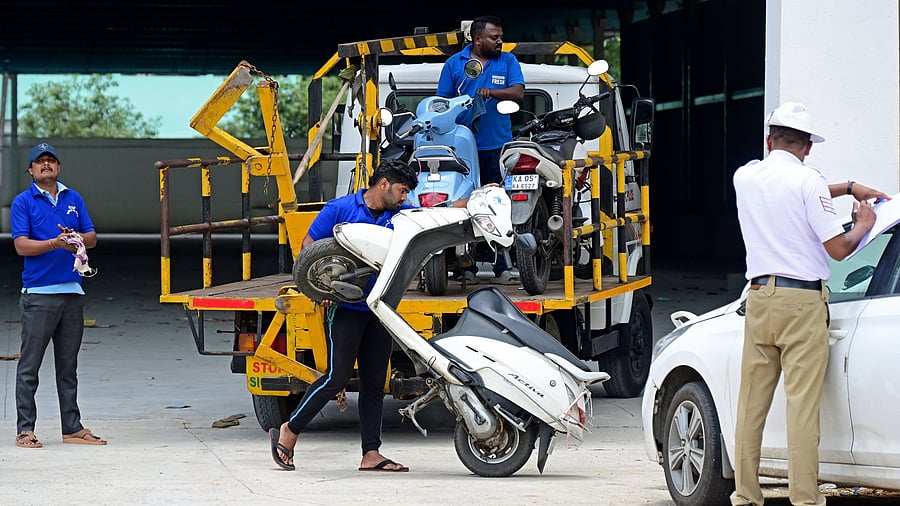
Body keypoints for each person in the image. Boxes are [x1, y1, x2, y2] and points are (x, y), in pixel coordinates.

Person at [730, 103, 889, 505]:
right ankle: (805, 499)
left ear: (770, 140)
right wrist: (865, 223)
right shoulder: (808, 181)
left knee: (751, 407)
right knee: (801, 408)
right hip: (801, 303)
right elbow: (838, 250)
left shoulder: (745, 176)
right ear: (807, 148)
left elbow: (792, 191)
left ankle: (746, 496)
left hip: (759, 299)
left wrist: (848, 187)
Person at [269, 158, 417, 472]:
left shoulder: (402, 216)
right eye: (402, 190)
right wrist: (321, 292)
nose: (405, 197)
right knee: (337, 377)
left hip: (380, 309)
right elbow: (309, 250)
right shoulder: (340, 209)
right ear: (384, 184)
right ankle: (290, 429)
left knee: (376, 383)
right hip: (345, 309)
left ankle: (371, 453)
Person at [12, 142, 104, 448]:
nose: (46, 165)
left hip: (72, 293)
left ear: (59, 168)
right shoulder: (23, 202)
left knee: (68, 367)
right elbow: (21, 245)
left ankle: (72, 428)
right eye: (40, 162)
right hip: (39, 296)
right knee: (30, 367)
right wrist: (54, 243)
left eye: (51, 160)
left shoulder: (73, 198)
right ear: (31, 170)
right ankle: (25, 430)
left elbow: (91, 237)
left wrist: (77, 238)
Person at [437, 14, 524, 285]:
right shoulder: (454, 64)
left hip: (497, 145)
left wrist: (491, 92)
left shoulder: (507, 60)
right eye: (493, 37)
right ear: (477, 39)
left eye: (500, 36)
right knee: (463, 203)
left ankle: (501, 264)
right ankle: (466, 265)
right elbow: (442, 103)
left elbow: (518, 92)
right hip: (463, 146)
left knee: (498, 202)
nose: (500, 41)